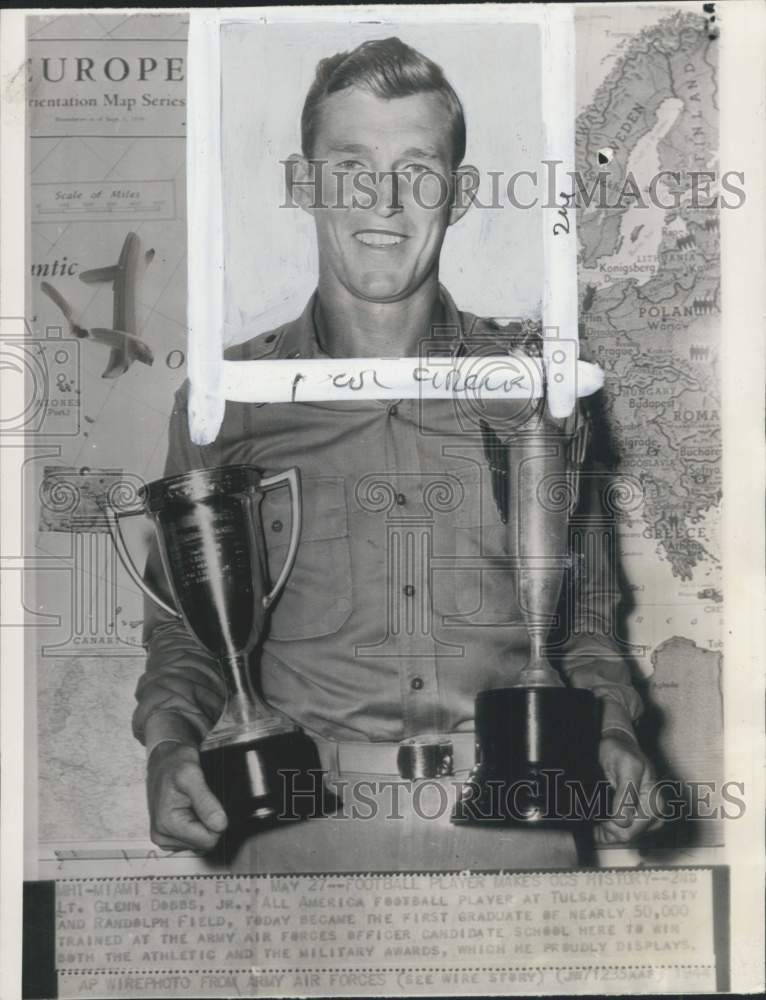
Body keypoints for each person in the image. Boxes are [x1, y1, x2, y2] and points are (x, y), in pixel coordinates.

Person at [134, 37, 655, 870]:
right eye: (350, 168)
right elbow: (188, 635)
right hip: (294, 831)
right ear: (303, 186)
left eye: (417, 168)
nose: (384, 201)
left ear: (460, 191)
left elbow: (585, 624)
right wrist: (169, 747)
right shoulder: (226, 402)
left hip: (522, 823)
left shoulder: (540, 390)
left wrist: (616, 733)